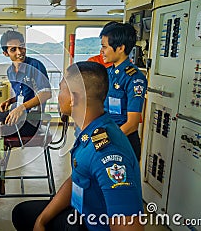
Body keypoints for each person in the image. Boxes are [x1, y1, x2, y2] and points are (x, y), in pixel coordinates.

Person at [12, 61, 144, 231]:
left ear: (73, 98)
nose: (58, 96)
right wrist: (42, 220)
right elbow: (78, 177)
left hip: (88, 225)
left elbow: (129, 227)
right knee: (22, 213)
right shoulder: (92, 129)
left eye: (60, 90)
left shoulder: (108, 155)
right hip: (79, 211)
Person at [0, 30, 52, 147]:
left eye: (21, 47)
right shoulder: (10, 71)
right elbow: (22, 94)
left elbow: (46, 93)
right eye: (13, 49)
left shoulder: (36, 65)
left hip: (31, 121)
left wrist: (21, 108)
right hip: (17, 116)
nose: (19, 52)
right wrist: (11, 101)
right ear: (6, 53)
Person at [100, 22, 147, 161]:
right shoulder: (107, 73)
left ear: (120, 48)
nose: (101, 51)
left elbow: (132, 124)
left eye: (104, 47)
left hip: (123, 140)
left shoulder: (134, 78)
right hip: (107, 132)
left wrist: (106, 141)